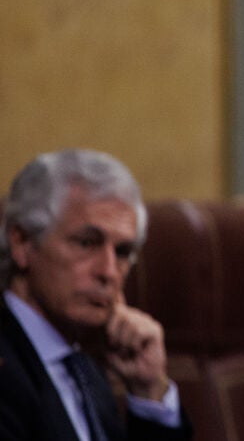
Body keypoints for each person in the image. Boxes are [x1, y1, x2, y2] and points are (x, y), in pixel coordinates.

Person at [0, 149, 191, 441]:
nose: (109, 272)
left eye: (122, 252)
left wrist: (148, 390)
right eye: (87, 243)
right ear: (22, 243)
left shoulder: (86, 367)